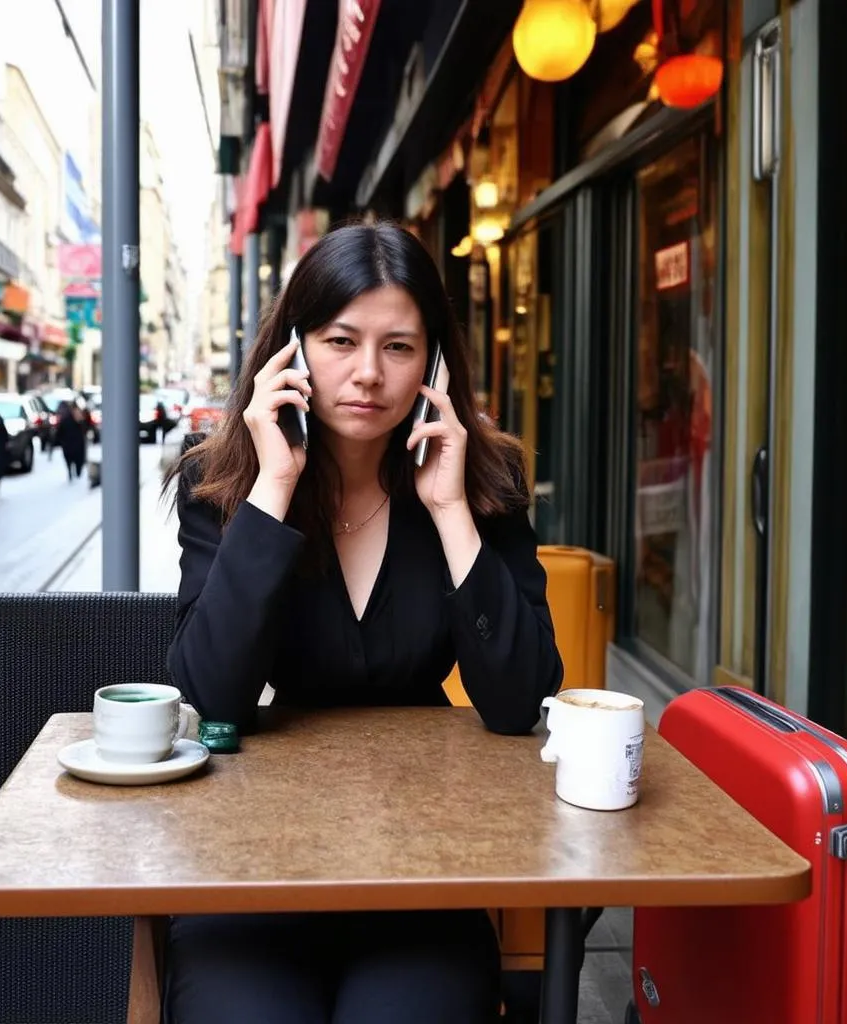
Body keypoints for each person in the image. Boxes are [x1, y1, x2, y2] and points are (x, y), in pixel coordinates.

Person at [163, 222, 564, 1024]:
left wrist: (451, 511)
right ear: (293, 349)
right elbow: (209, 699)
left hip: (425, 858)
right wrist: (274, 489)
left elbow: (520, 700)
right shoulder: (222, 482)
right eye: (340, 340)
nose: (368, 375)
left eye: (399, 347)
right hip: (252, 857)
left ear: (436, 364)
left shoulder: (486, 478)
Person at [54, 399, 87, 481]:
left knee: (70, 460)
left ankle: (71, 473)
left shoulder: (66, 419)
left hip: (68, 445)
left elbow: (59, 432)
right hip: (76, 445)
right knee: (77, 460)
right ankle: (76, 473)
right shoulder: (79, 418)